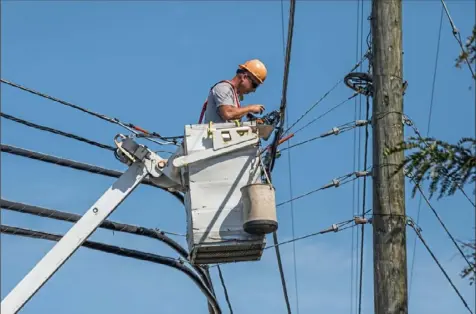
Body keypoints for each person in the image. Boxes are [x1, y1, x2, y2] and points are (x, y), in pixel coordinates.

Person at [198, 59, 268, 124]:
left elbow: (229, 124)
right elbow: (228, 113)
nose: (254, 90)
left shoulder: (234, 95)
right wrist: (250, 108)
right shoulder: (224, 88)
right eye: (254, 85)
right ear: (244, 77)